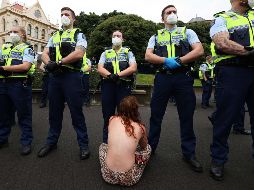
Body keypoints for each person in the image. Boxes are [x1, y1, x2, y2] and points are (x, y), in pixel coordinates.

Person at [145, 4, 204, 172]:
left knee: (186, 116)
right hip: (163, 77)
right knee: (156, 115)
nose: (172, 14)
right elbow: (148, 55)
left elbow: (199, 50)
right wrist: (165, 61)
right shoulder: (155, 36)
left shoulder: (188, 32)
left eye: (174, 12)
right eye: (168, 12)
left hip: (183, 78)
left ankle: (189, 153)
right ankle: (150, 149)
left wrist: (179, 61)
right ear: (162, 18)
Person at [209, 0, 254, 181]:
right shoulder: (221, 18)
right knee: (225, 118)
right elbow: (222, 43)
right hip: (233, 72)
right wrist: (249, 52)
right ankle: (218, 159)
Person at [37, 7, 90, 160]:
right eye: (61, 15)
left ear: (73, 19)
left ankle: (83, 144)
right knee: (54, 112)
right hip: (55, 77)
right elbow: (45, 53)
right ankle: (51, 142)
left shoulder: (79, 34)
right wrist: (50, 64)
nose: (63, 17)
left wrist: (58, 62)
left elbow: (79, 52)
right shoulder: (55, 35)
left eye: (67, 15)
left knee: (76, 112)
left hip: (71, 77)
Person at [99, 96, 151, 186]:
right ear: (136, 111)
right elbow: (144, 146)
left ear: (120, 108)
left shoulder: (111, 119)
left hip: (108, 176)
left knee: (103, 146)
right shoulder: (140, 127)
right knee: (148, 149)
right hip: (129, 178)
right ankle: (137, 164)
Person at [0, 26, 35, 155]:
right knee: (3, 114)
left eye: (15, 32)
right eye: (10, 32)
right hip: (3, 84)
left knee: (23, 115)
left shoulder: (27, 49)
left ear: (23, 35)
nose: (12, 33)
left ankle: (26, 142)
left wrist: (4, 68)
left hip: (19, 85)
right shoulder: (4, 47)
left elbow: (26, 66)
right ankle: (3, 139)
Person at [98, 30, 137, 143]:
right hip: (108, 86)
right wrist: (110, 76)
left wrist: (117, 75)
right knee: (107, 115)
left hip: (123, 86)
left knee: (125, 114)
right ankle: (106, 141)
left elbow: (133, 67)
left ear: (122, 39)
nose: (116, 37)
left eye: (118, 36)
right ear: (111, 38)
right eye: (114, 35)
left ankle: (123, 141)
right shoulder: (105, 53)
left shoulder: (128, 52)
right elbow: (100, 68)